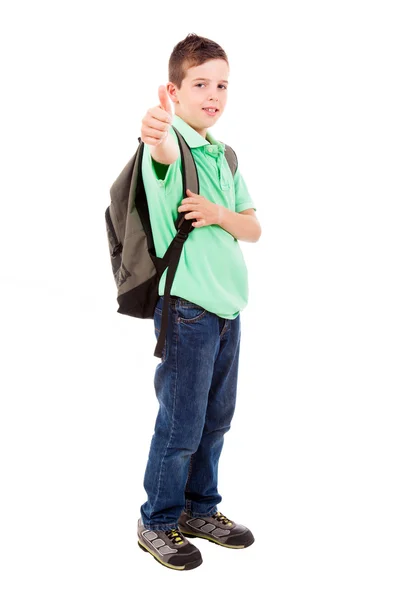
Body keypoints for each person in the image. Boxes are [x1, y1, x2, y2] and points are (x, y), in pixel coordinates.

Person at [136, 33, 262, 571]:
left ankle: (198, 510)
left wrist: (215, 212)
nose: (213, 94)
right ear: (175, 90)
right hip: (187, 309)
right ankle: (157, 521)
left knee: (216, 419)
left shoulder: (224, 154)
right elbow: (160, 147)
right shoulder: (171, 148)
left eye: (222, 85)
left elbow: (252, 227)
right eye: (201, 84)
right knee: (180, 422)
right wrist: (156, 128)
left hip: (228, 309)